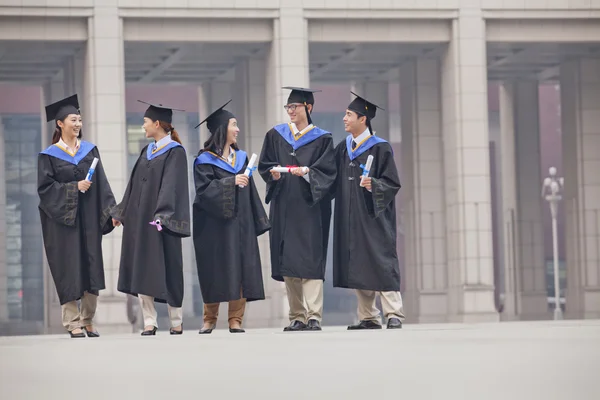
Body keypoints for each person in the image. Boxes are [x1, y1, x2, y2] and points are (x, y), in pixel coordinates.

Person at [258, 87, 336, 332]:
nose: (290, 111)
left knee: (310, 260)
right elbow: (265, 164)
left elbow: (328, 173)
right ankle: (297, 316)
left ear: (308, 108)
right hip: (284, 205)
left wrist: (309, 173)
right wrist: (272, 175)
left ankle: (314, 316)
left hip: (310, 207)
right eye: (288, 107)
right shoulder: (275, 135)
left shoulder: (323, 139)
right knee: (288, 260)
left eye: (295, 107)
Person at [38, 94, 116, 338]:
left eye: (80, 120)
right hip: (63, 224)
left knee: (91, 266)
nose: (78, 124)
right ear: (60, 123)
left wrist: (112, 212)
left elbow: (102, 184)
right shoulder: (49, 156)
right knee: (68, 269)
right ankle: (72, 322)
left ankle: (88, 319)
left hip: (89, 219)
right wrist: (74, 188)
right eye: (73, 119)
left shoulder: (90, 151)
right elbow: (45, 191)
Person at [111, 101, 191, 336]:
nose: (143, 126)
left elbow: (171, 186)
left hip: (162, 222)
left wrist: (162, 216)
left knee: (170, 269)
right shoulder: (147, 152)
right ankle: (149, 321)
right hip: (140, 221)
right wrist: (121, 212)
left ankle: (176, 320)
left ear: (157, 124)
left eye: (145, 122)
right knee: (143, 268)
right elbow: (133, 185)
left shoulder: (175, 151)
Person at [192, 100, 270, 334]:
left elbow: (251, 191)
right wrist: (230, 182)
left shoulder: (241, 158)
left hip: (239, 224)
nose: (237, 130)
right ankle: (210, 318)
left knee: (240, 267)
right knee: (213, 268)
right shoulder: (203, 160)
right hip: (214, 226)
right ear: (222, 128)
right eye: (233, 125)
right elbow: (203, 192)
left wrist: (257, 219)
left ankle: (235, 319)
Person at [331, 92, 404, 330]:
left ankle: (393, 313)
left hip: (374, 216)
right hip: (351, 217)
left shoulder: (380, 148)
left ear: (363, 119)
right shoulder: (344, 148)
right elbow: (330, 177)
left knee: (381, 260)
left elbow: (392, 183)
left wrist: (375, 185)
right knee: (358, 263)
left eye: (349, 114)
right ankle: (368, 316)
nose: (344, 118)